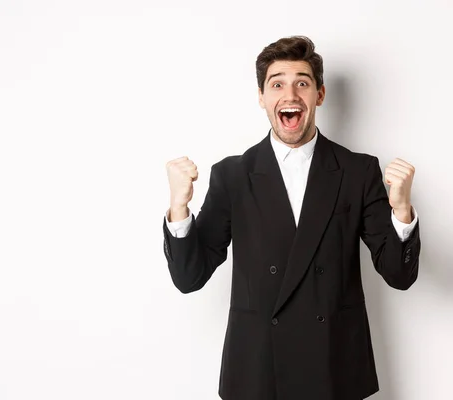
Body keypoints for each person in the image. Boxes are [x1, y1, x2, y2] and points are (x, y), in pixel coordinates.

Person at [162, 36, 421, 400]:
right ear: (262, 97)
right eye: (277, 83)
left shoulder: (357, 171)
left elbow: (399, 275)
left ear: (320, 94)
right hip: (258, 371)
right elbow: (189, 277)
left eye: (302, 82)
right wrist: (178, 207)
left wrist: (402, 210)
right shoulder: (233, 175)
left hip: (334, 367)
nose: (291, 94)